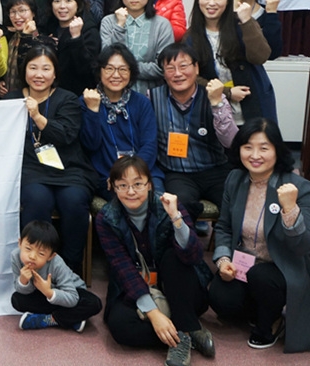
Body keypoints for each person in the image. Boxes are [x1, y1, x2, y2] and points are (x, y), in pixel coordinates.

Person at [96, 156, 214, 366]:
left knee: (172, 257)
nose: (131, 191)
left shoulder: (169, 206)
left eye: (138, 184)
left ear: (149, 184)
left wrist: (176, 218)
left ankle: (181, 333)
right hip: (136, 287)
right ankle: (187, 331)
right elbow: (122, 268)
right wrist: (153, 314)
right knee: (120, 327)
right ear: (112, 187)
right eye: (122, 185)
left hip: (180, 288)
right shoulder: (106, 218)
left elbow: (194, 256)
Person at [209, 118, 310, 352]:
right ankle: (262, 308)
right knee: (220, 298)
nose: (255, 155)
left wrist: (290, 210)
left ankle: (271, 323)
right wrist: (223, 260)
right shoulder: (235, 179)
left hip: (282, 267)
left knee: (261, 277)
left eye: (264, 148)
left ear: (277, 150)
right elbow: (223, 227)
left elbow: (302, 246)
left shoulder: (299, 187)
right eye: (248, 147)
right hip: (244, 265)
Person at [6, 45, 97, 274]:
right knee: (37, 200)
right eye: (33, 67)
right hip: (32, 169)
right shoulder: (12, 99)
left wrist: (37, 116)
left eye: (46, 69)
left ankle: (69, 270)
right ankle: (35, 269)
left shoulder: (67, 99)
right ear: (24, 70)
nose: (39, 74)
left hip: (69, 169)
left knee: (74, 201)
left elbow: (66, 135)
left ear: (55, 73)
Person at [150, 43, 237, 220]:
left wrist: (217, 104)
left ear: (196, 68)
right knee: (180, 205)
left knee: (235, 205)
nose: (178, 73)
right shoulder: (152, 97)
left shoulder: (214, 96)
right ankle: (189, 238)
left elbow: (230, 141)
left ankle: (224, 239)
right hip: (176, 172)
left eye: (183, 66)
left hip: (215, 169)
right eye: (170, 68)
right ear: (163, 73)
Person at [184, 0, 276, 124]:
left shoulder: (242, 24)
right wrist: (226, 92)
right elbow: (191, 77)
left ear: (228, 0)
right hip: (215, 111)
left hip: (252, 106)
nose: (212, 3)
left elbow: (260, 57)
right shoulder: (191, 36)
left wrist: (247, 21)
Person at [80, 44, 164, 200]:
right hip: (107, 175)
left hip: (144, 173)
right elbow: (90, 145)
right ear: (99, 70)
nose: (116, 75)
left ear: (131, 73)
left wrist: (131, 174)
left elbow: (149, 145)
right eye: (109, 69)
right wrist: (92, 111)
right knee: (127, 204)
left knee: (157, 203)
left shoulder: (141, 102)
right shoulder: (87, 101)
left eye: (123, 69)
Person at [11, 220, 102, 332]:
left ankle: (48, 319)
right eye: (28, 249)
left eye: (41, 253)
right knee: (17, 299)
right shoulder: (15, 256)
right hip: (46, 296)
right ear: (20, 243)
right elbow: (20, 289)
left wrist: (48, 292)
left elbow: (73, 298)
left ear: (51, 256)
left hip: (71, 292)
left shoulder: (56, 263)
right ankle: (71, 318)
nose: (32, 256)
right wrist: (23, 281)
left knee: (94, 303)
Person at [100, 0, 173, 94]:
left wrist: (126, 68)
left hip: (151, 94)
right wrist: (119, 26)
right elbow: (107, 62)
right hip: (115, 93)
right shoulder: (108, 22)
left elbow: (163, 67)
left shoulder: (162, 25)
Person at [40, 0, 100, 96]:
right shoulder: (47, 26)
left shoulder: (89, 29)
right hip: (49, 93)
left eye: (68, 1)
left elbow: (87, 70)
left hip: (77, 95)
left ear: (78, 4)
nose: (62, 6)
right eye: (57, 1)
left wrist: (76, 38)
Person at [0, 0, 49, 97]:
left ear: (33, 13)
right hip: (9, 96)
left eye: (22, 11)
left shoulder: (41, 40)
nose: (17, 17)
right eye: (13, 12)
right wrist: (1, 82)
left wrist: (27, 36)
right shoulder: (11, 38)